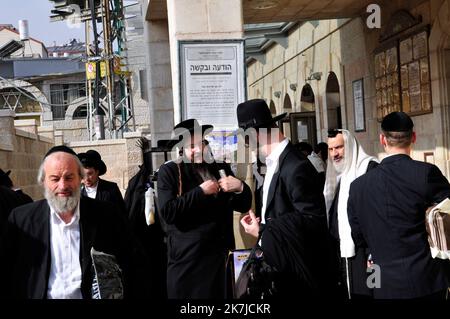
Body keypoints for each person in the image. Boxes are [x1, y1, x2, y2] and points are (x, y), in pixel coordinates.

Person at [0, 145, 150, 299]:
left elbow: (136, 266)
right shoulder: (22, 221)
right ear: (43, 181)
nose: (63, 186)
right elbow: (6, 273)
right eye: (55, 178)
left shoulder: (107, 216)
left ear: (80, 179)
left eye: (69, 177)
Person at [348, 112, 450, 299]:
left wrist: (374, 285)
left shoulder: (357, 187)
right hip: (426, 280)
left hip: (380, 281)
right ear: (414, 137)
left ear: (382, 139)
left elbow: (359, 237)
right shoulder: (426, 173)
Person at [237, 99, 329, 298]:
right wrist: (263, 225)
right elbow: (281, 212)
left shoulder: (295, 166)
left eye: (247, 139)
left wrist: (263, 229)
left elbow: (314, 220)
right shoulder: (275, 162)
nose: (248, 145)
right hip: (279, 270)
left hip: (295, 278)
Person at [156, 119, 252, 299]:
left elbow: (243, 204)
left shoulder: (219, 167)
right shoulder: (169, 172)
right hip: (189, 263)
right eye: (192, 146)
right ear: (182, 149)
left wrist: (240, 187)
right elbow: (168, 212)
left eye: (201, 143)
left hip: (219, 260)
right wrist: (200, 192)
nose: (198, 150)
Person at [323, 129, 378, 299]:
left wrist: (373, 252)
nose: (335, 154)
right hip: (345, 254)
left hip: (368, 254)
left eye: (339, 148)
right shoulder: (338, 175)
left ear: (350, 147)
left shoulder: (370, 168)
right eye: (331, 149)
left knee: (374, 291)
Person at [77, 150, 126, 215]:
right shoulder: (78, 192)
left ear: (97, 172)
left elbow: (122, 214)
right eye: (83, 175)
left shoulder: (111, 189)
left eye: (90, 174)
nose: (86, 179)